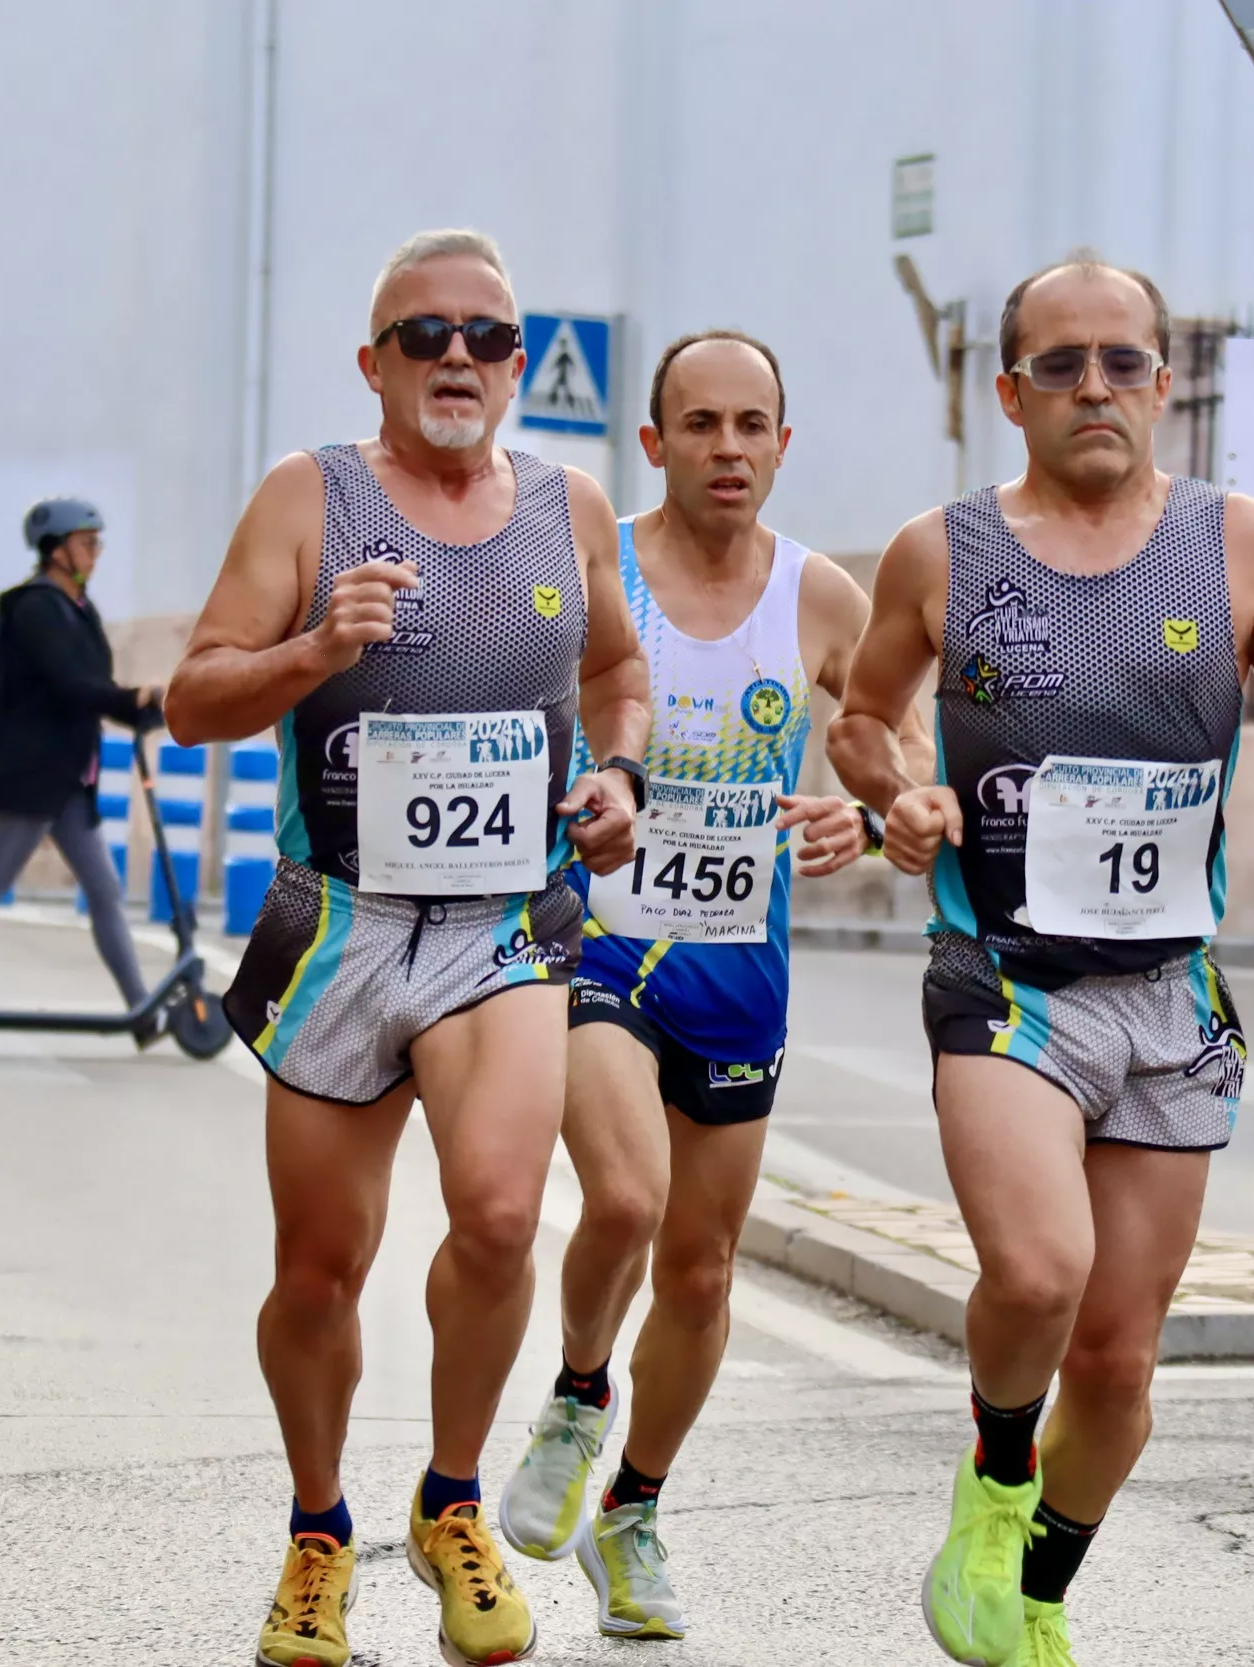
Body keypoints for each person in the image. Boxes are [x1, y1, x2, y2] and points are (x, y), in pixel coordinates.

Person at [826, 254, 1254, 1667]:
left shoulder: (1243, 543)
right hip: (1005, 977)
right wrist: (900, 796)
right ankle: (997, 1476)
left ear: (1164, 381)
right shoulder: (940, 552)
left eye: (1122, 361)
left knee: (1122, 1363)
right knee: (1039, 1270)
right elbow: (863, 716)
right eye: (1059, 365)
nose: (1094, 389)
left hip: (1169, 996)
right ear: (1010, 393)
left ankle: (1040, 1587)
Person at [165, 227, 649, 1667]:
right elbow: (192, 696)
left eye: (487, 337)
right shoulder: (306, 499)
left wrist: (623, 779)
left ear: (516, 362)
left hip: (505, 921)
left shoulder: (572, 507)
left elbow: (618, 668)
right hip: (343, 925)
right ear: (373, 362)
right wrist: (313, 650)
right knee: (321, 1263)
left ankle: (451, 1503)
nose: (459, 358)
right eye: (423, 335)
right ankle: (320, 1530)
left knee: (502, 1215)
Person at [495, 330, 932, 1640]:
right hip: (597, 943)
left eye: (753, 425)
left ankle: (634, 1507)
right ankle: (579, 1396)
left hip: (742, 965)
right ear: (656, 442)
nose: (728, 448)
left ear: (782, 444)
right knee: (624, 1199)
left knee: (702, 1268)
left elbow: (879, 734)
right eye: (702, 424)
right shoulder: (593, 568)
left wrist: (872, 811)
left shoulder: (823, 596)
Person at [0, 498, 160, 1027]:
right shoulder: (36, 608)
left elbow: (91, 687)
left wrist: (136, 710)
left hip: (69, 777)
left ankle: (140, 1009)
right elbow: (69, 684)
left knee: (105, 892)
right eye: (87, 544)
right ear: (56, 549)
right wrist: (127, 700)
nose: (96, 554)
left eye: (98, 544)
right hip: (34, 775)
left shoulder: (79, 609)